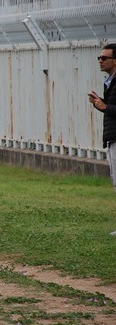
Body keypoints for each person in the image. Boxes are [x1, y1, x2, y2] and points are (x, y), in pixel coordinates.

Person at [89, 43, 116, 236]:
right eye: (100, 58)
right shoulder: (110, 82)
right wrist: (101, 104)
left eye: (104, 58)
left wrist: (105, 107)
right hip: (112, 137)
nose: (100, 60)